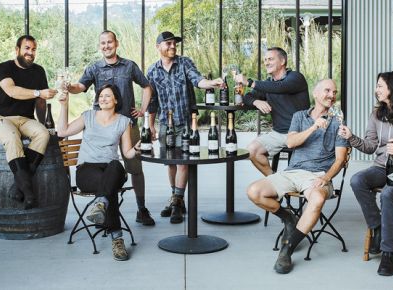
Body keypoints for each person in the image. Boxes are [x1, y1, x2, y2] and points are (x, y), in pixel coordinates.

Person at [247, 79, 349, 274]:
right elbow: (291, 143)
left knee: (317, 198)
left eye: (334, 92)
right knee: (254, 192)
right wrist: (314, 127)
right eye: (327, 90)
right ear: (316, 94)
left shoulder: (338, 123)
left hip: (318, 176)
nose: (332, 95)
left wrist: (326, 179)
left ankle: (287, 248)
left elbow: (340, 160)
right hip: (293, 172)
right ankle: (289, 218)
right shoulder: (299, 117)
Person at [67, 30, 155, 226]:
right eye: (103, 43)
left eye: (110, 42)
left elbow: (146, 86)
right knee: (108, 170)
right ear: (100, 46)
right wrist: (68, 87)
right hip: (102, 126)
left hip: (126, 124)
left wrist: (142, 109)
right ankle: (104, 210)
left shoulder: (129, 66)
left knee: (135, 169)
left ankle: (141, 209)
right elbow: (80, 87)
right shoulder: (94, 68)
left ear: (116, 43)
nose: (106, 46)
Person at [339, 71, 393, 276]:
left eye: (380, 86)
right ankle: (377, 227)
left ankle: (387, 254)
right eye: (377, 86)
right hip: (381, 167)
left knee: (388, 194)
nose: (376, 90)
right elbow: (370, 146)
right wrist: (352, 137)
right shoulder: (376, 114)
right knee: (357, 180)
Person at [147, 31, 224, 223]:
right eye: (168, 44)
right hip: (166, 124)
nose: (173, 47)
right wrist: (151, 126)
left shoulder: (184, 63)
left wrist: (211, 83)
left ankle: (177, 201)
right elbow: (152, 101)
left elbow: (197, 80)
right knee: (171, 163)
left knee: (183, 162)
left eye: (174, 44)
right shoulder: (152, 71)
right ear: (158, 47)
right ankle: (177, 200)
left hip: (187, 124)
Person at [57, 84, 139, 261]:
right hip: (87, 170)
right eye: (101, 96)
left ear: (116, 100)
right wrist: (64, 105)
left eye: (108, 96)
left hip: (111, 169)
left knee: (116, 166)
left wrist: (138, 149)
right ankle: (117, 239)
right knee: (110, 191)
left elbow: (127, 153)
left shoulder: (124, 121)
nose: (103, 99)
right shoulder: (88, 116)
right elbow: (62, 131)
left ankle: (100, 204)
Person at [0, 35, 57, 209]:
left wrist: (44, 124)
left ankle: (18, 186)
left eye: (33, 49)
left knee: (42, 133)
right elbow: (12, 91)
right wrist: (38, 93)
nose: (30, 53)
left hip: (26, 119)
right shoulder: (3, 68)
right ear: (17, 49)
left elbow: (41, 104)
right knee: (12, 138)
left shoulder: (39, 71)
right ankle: (29, 193)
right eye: (27, 48)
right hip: (1, 118)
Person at [235, 47, 309, 177]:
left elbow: (281, 87)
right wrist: (256, 102)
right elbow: (247, 97)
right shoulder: (268, 83)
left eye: (270, 59)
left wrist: (250, 82)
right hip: (278, 133)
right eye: (265, 60)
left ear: (282, 61)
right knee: (252, 150)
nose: (266, 63)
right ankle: (275, 181)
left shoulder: (296, 78)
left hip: (300, 133)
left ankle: (283, 183)